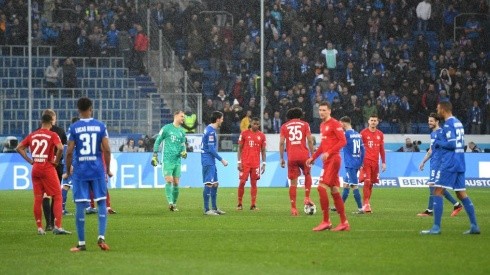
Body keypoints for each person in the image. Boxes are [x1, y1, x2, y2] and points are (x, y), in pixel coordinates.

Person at [421, 102, 480, 235]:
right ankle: (474, 226)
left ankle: (436, 227)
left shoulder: (448, 124)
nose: (437, 111)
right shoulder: (458, 122)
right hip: (460, 161)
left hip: (450, 162)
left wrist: (438, 143)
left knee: (437, 191)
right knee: (461, 193)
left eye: (438, 109)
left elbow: (452, 144)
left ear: (443, 109)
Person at [65, 97, 112, 251]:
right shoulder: (100, 126)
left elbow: (70, 151)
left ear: (78, 110)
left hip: (80, 171)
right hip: (97, 169)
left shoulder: (74, 127)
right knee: (101, 202)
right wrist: (107, 169)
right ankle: (101, 237)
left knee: (80, 204)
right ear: (91, 108)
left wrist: (68, 170)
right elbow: (107, 149)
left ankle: (81, 243)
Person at [16, 114, 71, 235]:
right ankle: (58, 226)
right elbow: (61, 148)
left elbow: (19, 148)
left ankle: (40, 227)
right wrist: (56, 162)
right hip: (47, 167)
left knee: (38, 198)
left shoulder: (33, 134)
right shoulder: (52, 134)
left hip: (35, 168)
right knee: (57, 195)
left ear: (41, 122)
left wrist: (31, 161)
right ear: (51, 122)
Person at [306, 102, 349, 231]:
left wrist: (329, 152)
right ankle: (344, 222)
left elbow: (343, 141)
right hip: (327, 160)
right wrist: (313, 157)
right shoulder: (322, 125)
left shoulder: (335, 124)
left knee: (321, 188)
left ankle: (326, 221)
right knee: (335, 191)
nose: (321, 112)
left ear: (329, 111)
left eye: (324, 110)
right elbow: (324, 146)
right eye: (320, 110)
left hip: (333, 159)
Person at [418, 113, 463, 217]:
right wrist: (423, 161)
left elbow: (449, 146)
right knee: (436, 187)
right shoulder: (432, 134)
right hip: (433, 162)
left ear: (437, 121)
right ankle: (456, 205)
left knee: (433, 186)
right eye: (429, 121)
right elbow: (431, 150)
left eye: (431, 121)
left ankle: (429, 211)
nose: (429, 123)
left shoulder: (442, 132)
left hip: (440, 163)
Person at [279, 107, 315, 216]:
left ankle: (294, 209)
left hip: (292, 157)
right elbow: (310, 140)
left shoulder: (284, 126)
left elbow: (281, 143)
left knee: (293, 183)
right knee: (307, 174)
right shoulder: (305, 124)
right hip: (304, 155)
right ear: (300, 115)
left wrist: (282, 158)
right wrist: (312, 155)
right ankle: (307, 197)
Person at [151, 110, 187, 211]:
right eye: (182, 116)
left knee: (176, 183)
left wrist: (184, 152)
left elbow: (182, 145)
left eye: (183, 117)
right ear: (175, 116)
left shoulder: (182, 131)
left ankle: (174, 204)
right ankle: (170, 202)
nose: (183, 118)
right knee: (169, 180)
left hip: (177, 161)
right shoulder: (166, 128)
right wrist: (155, 155)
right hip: (167, 159)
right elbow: (158, 141)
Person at [40, 109, 67, 229]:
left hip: (41, 165)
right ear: (53, 119)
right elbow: (64, 149)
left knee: (45, 195)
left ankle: (48, 224)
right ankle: (55, 223)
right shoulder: (60, 131)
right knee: (56, 194)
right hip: (56, 165)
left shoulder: (37, 132)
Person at [201, 111, 229, 215]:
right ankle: (207, 209)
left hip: (210, 159)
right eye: (222, 118)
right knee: (209, 183)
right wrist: (222, 160)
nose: (222, 120)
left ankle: (214, 207)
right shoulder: (211, 132)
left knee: (215, 183)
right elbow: (211, 149)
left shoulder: (209, 129)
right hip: (208, 159)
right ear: (217, 119)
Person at [237, 117, 266, 210]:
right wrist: (239, 162)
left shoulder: (261, 136)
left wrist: (264, 163)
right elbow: (239, 148)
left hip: (255, 164)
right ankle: (239, 204)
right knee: (242, 182)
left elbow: (263, 150)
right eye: (254, 123)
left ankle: (253, 205)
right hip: (245, 163)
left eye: (257, 124)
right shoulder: (244, 133)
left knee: (254, 184)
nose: (256, 125)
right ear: (251, 123)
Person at [359, 114, 386, 213]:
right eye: (372, 120)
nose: (373, 122)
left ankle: (366, 203)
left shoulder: (380, 134)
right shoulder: (363, 133)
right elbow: (359, 148)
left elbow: (381, 149)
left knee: (371, 184)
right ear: (368, 121)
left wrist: (383, 162)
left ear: (377, 122)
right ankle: (366, 203)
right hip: (366, 161)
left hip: (375, 162)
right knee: (367, 181)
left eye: (375, 120)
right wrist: (359, 161)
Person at [339, 116, 365, 214]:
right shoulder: (358, 134)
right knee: (346, 184)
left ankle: (360, 209)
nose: (339, 125)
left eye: (340, 123)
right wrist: (361, 161)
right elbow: (363, 150)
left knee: (354, 186)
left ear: (344, 123)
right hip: (357, 162)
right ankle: (340, 206)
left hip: (350, 164)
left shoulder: (345, 135)